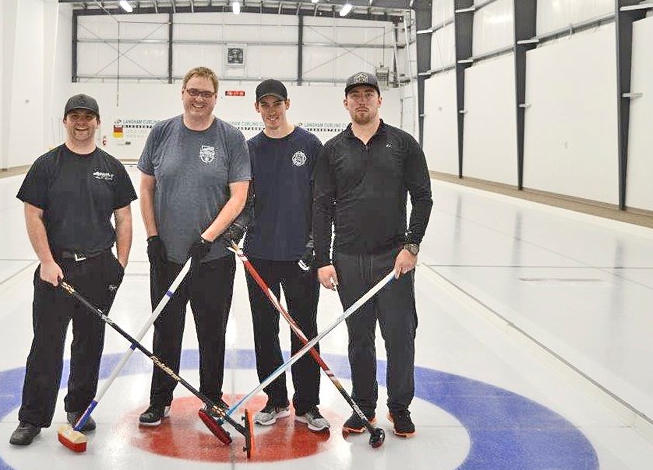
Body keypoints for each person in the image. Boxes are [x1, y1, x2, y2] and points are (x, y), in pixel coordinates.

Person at [9, 94, 136, 446]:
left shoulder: (112, 167)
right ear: (65, 121)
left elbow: (123, 218)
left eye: (88, 116)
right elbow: (32, 214)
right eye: (75, 116)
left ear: (98, 122)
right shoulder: (47, 165)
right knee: (46, 346)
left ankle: (79, 407)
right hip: (56, 271)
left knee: (90, 343)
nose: (82, 122)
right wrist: (47, 262)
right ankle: (32, 418)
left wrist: (120, 264)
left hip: (98, 269)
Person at [312, 72, 432, 438]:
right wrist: (323, 259)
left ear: (380, 100)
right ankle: (364, 407)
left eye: (368, 94)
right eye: (354, 95)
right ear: (345, 103)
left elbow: (423, 197)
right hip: (349, 259)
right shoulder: (332, 151)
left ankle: (399, 407)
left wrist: (411, 246)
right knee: (359, 338)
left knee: (399, 336)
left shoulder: (403, 144)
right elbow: (321, 207)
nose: (361, 101)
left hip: (393, 259)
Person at [136, 66, 251, 426]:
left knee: (211, 332)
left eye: (206, 93)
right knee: (166, 330)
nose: (198, 99)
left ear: (215, 98)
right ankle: (160, 399)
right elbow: (147, 188)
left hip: (213, 259)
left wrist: (208, 237)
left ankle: (212, 399)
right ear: (182, 93)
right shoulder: (161, 133)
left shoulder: (230, 138)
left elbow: (239, 196)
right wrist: (153, 236)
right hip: (168, 258)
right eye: (193, 91)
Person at [236, 79, 328, 432]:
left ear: (287, 104)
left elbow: (322, 203)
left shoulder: (309, 145)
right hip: (259, 253)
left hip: (299, 255)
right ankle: (276, 400)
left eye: (277, 104)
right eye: (265, 105)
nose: (272, 111)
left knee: (304, 329)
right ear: (257, 108)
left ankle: (308, 404)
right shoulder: (250, 149)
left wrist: (316, 245)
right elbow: (244, 199)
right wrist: (237, 230)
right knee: (264, 328)